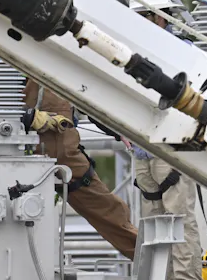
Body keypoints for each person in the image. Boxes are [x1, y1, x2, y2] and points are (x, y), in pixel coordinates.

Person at [127, 0, 204, 280]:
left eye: (147, 14)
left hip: (172, 147)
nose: (143, 21)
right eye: (139, 15)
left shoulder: (182, 51)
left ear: (161, 16)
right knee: (154, 223)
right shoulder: (131, 50)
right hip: (143, 146)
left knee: (178, 218)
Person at [21, 81, 138, 259]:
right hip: (29, 153)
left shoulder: (51, 66)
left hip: (56, 157)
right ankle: (157, 265)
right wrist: (28, 116)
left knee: (109, 210)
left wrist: (117, 129)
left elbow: (88, 97)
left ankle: (155, 264)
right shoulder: (30, 63)